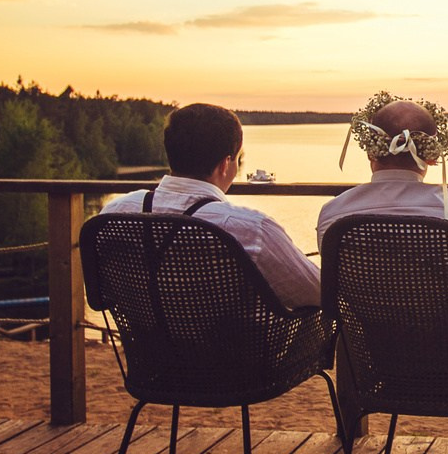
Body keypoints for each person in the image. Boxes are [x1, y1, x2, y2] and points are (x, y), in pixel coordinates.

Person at [100, 102, 320, 308]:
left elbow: (102, 293)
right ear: (225, 164)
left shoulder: (115, 213)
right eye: (236, 158)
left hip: (146, 347)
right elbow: (320, 292)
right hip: (236, 348)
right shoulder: (250, 230)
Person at [316, 91, 448, 278]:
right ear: (432, 156)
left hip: (363, 316)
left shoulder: (333, 215)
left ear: (370, 151)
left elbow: (334, 279)